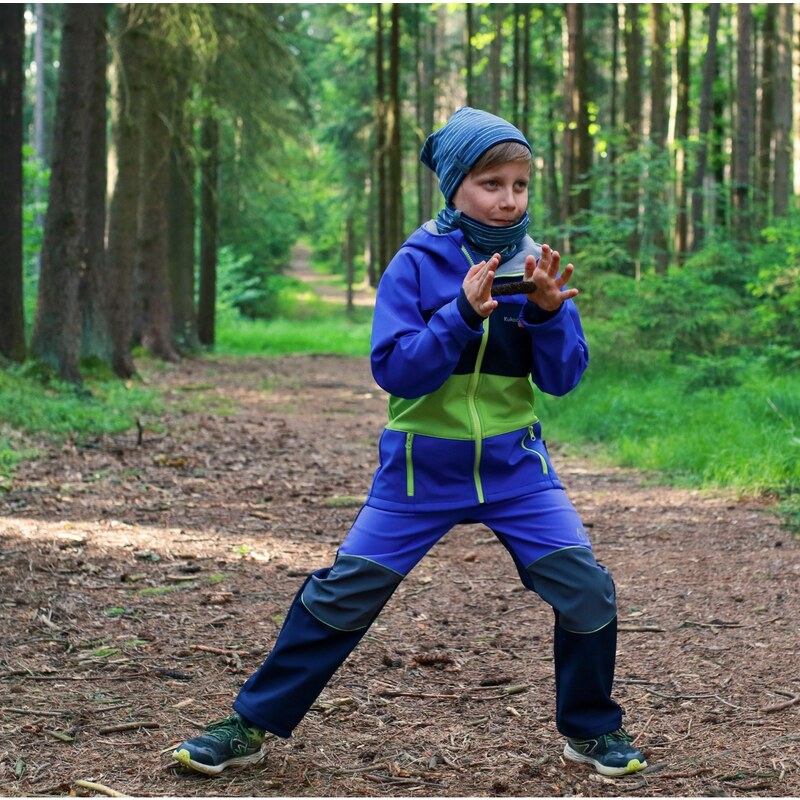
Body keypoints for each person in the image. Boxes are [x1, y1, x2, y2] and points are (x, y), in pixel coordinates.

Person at [171, 107, 647, 779]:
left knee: (587, 591)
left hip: (516, 470)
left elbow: (564, 378)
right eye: (490, 182)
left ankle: (591, 731)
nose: (508, 198)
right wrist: (458, 314)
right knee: (342, 594)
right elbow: (396, 370)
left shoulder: (537, 261)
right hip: (419, 473)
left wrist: (547, 313)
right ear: (454, 186)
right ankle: (249, 725)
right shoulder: (416, 263)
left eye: (519, 183)